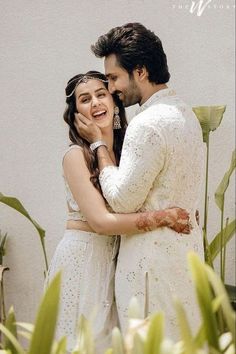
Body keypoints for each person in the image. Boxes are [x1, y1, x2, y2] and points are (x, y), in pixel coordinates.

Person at [46, 70, 191, 353]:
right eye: (85, 99)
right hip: (83, 262)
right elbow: (100, 222)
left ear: (114, 104)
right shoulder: (75, 156)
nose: (96, 103)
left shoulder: (127, 154)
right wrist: (163, 218)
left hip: (116, 265)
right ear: (76, 113)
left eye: (102, 95)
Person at [75, 23, 205, 339]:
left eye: (115, 78)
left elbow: (121, 200)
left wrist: (99, 146)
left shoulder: (146, 123)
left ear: (141, 71)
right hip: (186, 265)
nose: (112, 87)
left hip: (150, 273)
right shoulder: (185, 114)